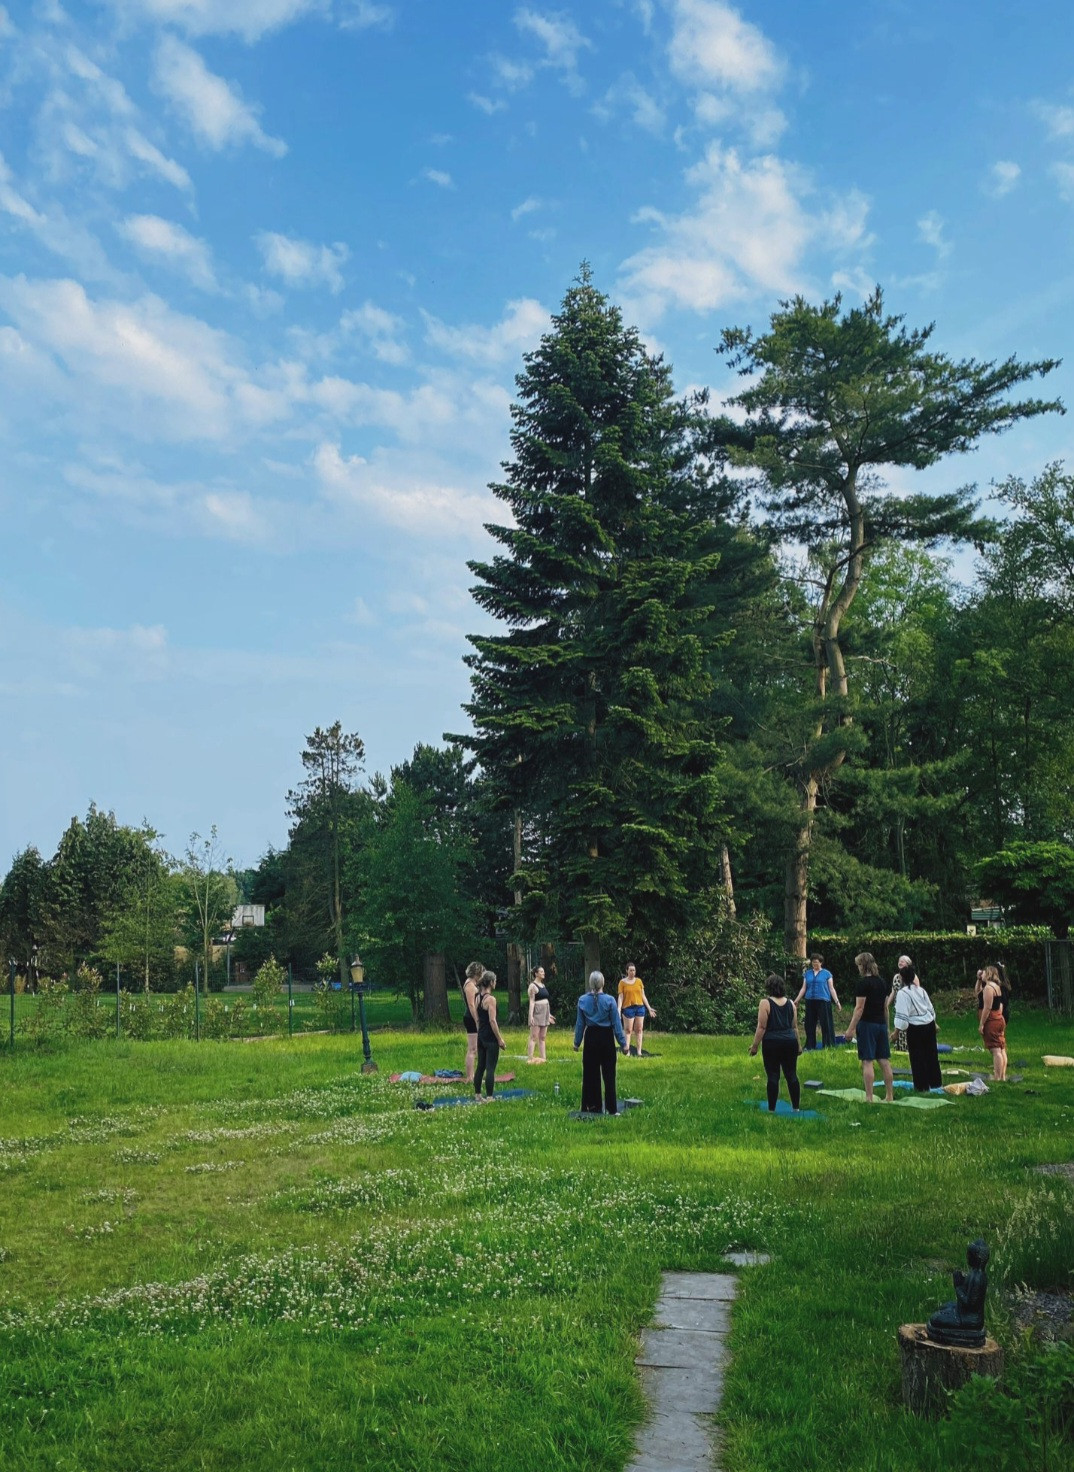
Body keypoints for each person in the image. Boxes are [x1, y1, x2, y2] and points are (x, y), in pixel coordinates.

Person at [574, 970, 627, 1115]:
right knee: (609, 1074)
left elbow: (580, 1024)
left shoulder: (583, 1000)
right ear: (603, 983)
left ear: (590, 983)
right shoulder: (610, 1000)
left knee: (590, 1074)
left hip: (590, 1037)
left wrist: (577, 1042)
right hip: (606, 1038)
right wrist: (623, 1044)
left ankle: (592, 1106)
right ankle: (611, 1108)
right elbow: (617, 1025)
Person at [844, 952, 895, 1103]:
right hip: (880, 1024)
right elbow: (885, 1008)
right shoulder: (882, 982)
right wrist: (886, 1027)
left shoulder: (863, 984)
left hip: (867, 1025)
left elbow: (859, 1009)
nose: (858, 968)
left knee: (867, 1061)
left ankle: (869, 1097)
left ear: (863, 965)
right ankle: (889, 1096)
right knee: (884, 1061)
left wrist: (850, 1029)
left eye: (859, 965)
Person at [749, 974, 802, 1112]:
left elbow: (762, 1027)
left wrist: (755, 1046)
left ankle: (772, 1109)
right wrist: (799, 1045)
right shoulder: (791, 1003)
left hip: (772, 1042)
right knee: (791, 1074)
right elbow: (794, 1027)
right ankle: (796, 1108)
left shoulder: (765, 1003)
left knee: (773, 1075)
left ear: (769, 988)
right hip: (790, 1041)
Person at [892, 962, 942, 1091]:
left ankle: (921, 1086)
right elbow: (930, 1008)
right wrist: (934, 1023)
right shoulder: (921, 990)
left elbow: (902, 1015)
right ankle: (935, 1082)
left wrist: (896, 1032)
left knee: (917, 1056)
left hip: (916, 1027)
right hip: (929, 1024)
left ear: (902, 979)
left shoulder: (903, 993)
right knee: (931, 1055)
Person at [794, 952, 841, 1049]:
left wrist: (837, 1001)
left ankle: (828, 1044)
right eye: (813, 962)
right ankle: (810, 1045)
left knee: (826, 1024)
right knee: (809, 1024)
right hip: (810, 1000)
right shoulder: (807, 974)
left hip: (823, 1001)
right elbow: (803, 988)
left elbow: (831, 989)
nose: (814, 964)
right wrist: (797, 1000)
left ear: (821, 963)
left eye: (816, 962)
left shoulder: (827, 974)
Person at [474, 970, 507, 1100]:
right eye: (495, 981)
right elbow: (492, 1021)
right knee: (490, 1068)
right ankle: (489, 1097)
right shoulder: (491, 999)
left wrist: (479, 1032)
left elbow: (478, 1018)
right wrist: (499, 1039)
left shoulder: (477, 998)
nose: (496, 983)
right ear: (491, 982)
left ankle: (477, 1095)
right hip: (490, 1037)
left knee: (480, 1066)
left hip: (481, 1036)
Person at [617, 962, 656, 1058]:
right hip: (628, 1008)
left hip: (640, 1007)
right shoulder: (622, 982)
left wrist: (649, 1008)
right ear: (627, 971)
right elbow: (620, 997)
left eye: (634, 970)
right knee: (628, 1030)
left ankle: (639, 1052)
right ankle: (627, 1051)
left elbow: (643, 996)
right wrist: (618, 1009)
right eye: (630, 970)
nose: (632, 972)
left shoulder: (639, 981)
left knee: (639, 1030)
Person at [977, 964, 1008, 1081]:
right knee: (1001, 1047)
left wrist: (981, 1024)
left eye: (984, 973)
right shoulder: (996, 986)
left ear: (988, 974)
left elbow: (987, 1008)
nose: (982, 974)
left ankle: (997, 1077)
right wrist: (979, 979)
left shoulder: (989, 988)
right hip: (999, 1018)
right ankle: (1002, 1076)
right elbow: (998, 1005)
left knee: (995, 1050)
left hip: (992, 1020)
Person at [526, 965, 556, 1064]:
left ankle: (543, 1058)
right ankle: (530, 1058)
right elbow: (532, 1002)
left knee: (542, 1037)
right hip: (537, 1012)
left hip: (545, 1012)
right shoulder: (532, 986)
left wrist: (549, 1014)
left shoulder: (543, 985)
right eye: (541, 972)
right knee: (534, 1036)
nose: (543, 973)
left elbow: (545, 1000)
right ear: (536, 974)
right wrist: (531, 1016)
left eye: (543, 971)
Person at [460, 960, 484, 1084]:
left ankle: (473, 1075)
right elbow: (471, 1005)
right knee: (472, 1049)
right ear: (476, 973)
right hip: (471, 1018)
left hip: (473, 1018)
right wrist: (477, 1020)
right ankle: (470, 1077)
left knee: (475, 1048)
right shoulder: (469, 985)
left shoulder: (474, 984)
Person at [890, 955, 914, 1052]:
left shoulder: (913, 977)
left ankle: (908, 1048)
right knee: (899, 1024)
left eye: (902, 961)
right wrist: (886, 1005)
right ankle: (899, 1047)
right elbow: (893, 992)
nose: (900, 962)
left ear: (908, 964)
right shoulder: (896, 977)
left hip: (908, 1008)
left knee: (905, 1026)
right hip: (898, 1006)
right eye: (899, 961)